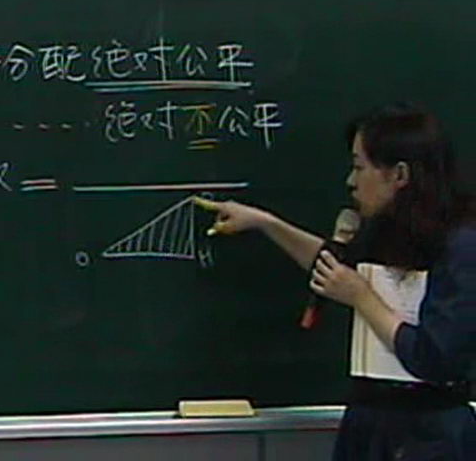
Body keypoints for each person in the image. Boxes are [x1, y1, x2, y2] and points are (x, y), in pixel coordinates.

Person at [194, 103, 476, 460]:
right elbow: (333, 268)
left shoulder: (461, 245)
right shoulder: (390, 230)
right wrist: (266, 223)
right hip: (370, 421)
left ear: (399, 174)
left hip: (429, 433)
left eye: (359, 167)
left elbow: (435, 359)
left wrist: (362, 297)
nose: (351, 181)